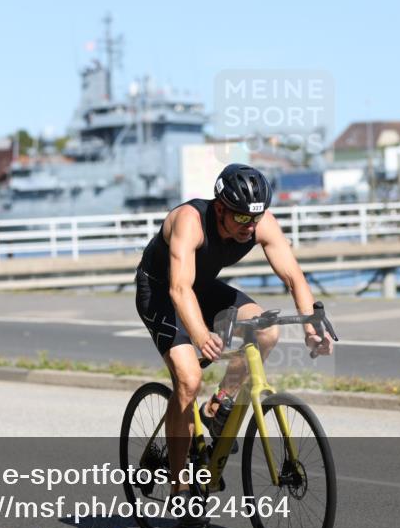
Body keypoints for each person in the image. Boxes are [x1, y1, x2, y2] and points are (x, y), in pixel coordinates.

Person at [134, 163, 334, 510]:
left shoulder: (259, 222)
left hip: (203, 288)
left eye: (255, 219)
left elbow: (293, 277)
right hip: (161, 291)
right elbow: (179, 289)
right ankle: (180, 488)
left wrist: (310, 326)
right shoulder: (190, 221)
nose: (250, 227)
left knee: (267, 331)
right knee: (189, 377)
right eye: (241, 218)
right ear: (221, 208)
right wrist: (198, 334)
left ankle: (218, 406)